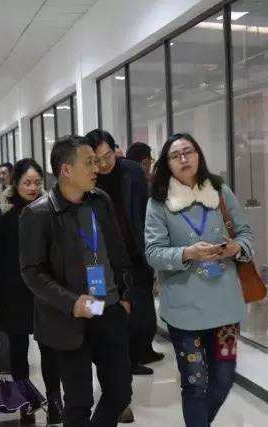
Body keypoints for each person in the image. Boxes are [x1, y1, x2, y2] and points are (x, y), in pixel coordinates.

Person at [20, 136, 133, 427]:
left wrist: (124, 295)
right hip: (68, 320)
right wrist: (72, 303)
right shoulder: (37, 214)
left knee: (120, 393)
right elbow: (32, 272)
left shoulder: (100, 200)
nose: (97, 167)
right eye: (89, 162)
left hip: (108, 309)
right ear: (66, 170)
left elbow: (117, 250)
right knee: (79, 402)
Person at [144, 133, 254, 427]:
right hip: (184, 311)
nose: (184, 159)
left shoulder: (220, 191)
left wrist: (236, 248)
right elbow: (153, 253)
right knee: (195, 383)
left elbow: (245, 233)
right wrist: (188, 253)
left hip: (225, 307)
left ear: (199, 155)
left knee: (224, 378)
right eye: (175, 155)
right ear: (167, 164)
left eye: (189, 152)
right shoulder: (158, 203)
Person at [0, 158, 62, 426]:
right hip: (13, 290)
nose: (32, 187)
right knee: (18, 351)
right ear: (15, 183)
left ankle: (55, 402)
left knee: (50, 349)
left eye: (37, 182)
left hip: (45, 290)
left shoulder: (50, 208)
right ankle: (25, 403)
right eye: (27, 182)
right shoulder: (1, 212)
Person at [86, 130, 162, 378]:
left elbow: (145, 209)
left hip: (136, 249)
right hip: (106, 258)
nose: (104, 164)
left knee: (144, 308)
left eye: (108, 156)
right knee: (117, 310)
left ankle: (142, 350)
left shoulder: (132, 172)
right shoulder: (88, 179)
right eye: (97, 159)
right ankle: (126, 360)